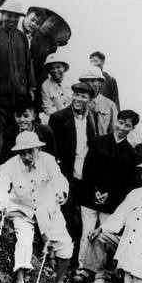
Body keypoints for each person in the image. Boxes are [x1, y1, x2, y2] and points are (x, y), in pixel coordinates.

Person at [0, 131, 74, 283]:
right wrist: (0, 203)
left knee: (65, 245)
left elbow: (59, 179)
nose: (27, 156)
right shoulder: (10, 165)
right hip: (23, 210)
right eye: (22, 152)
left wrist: (61, 192)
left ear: (38, 149)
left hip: (47, 208)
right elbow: (1, 186)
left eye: (30, 151)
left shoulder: (48, 161)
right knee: (24, 242)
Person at [75, 110, 139, 283]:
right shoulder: (98, 143)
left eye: (128, 125)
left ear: (133, 128)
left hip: (111, 203)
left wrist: (110, 195)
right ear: (115, 122)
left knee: (102, 238)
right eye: (120, 122)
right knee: (86, 233)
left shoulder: (130, 153)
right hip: (90, 196)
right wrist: (95, 190)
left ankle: (99, 275)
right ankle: (82, 269)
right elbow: (88, 169)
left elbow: (126, 182)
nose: (122, 127)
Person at [48, 81, 97, 247]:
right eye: (76, 95)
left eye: (83, 96)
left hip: (85, 174)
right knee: (67, 212)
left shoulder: (92, 118)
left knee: (83, 215)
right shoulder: (58, 118)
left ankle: (78, 255)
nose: (78, 99)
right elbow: (52, 149)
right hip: (66, 174)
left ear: (89, 100)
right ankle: (65, 250)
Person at [0, 0, 35, 143]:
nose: (12, 19)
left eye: (16, 16)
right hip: (0, 93)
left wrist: (31, 86)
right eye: (9, 15)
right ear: (2, 14)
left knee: (17, 125)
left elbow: (27, 63)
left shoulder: (22, 37)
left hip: (19, 92)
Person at [79, 66, 117, 136]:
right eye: (86, 81)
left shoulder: (110, 105)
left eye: (93, 81)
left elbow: (114, 132)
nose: (90, 84)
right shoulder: (76, 103)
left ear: (100, 83)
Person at [40, 53, 70, 118]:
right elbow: (48, 107)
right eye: (52, 68)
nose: (55, 71)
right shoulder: (45, 86)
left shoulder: (73, 81)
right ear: (48, 70)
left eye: (58, 67)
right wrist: (61, 117)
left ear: (64, 68)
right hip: (58, 118)